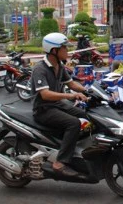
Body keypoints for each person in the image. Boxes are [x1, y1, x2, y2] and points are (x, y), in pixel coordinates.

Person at [32, 33, 88, 177]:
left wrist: (89, 90)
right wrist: (70, 95)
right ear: (54, 51)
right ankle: (60, 162)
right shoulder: (40, 69)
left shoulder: (59, 66)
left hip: (57, 105)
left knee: (85, 115)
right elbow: (45, 94)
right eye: (64, 48)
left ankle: (75, 149)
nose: (67, 51)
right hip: (44, 109)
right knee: (74, 123)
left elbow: (72, 83)